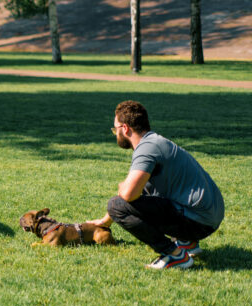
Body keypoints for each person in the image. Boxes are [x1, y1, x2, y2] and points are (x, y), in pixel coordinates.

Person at [89, 100, 225, 269]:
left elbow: (128, 195)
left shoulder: (147, 149)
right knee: (140, 194)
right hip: (209, 215)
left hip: (200, 220)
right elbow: (141, 192)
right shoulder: (154, 142)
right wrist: (105, 222)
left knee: (116, 205)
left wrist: (122, 187)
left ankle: (174, 255)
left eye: (115, 129)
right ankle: (186, 242)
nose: (115, 133)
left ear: (125, 128)